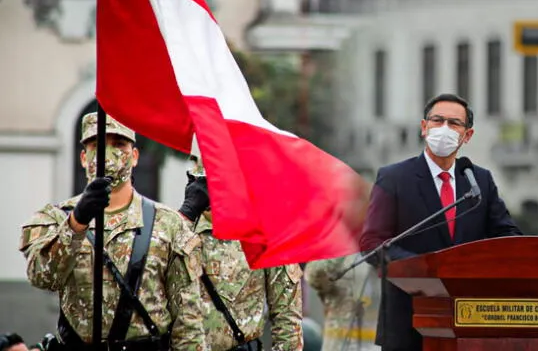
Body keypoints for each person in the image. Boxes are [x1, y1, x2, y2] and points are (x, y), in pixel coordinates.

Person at [19, 113, 208, 351]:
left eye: (119, 144)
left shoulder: (167, 223)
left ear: (135, 156)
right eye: (97, 145)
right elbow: (43, 278)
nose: (108, 154)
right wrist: (76, 223)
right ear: (83, 157)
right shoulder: (55, 218)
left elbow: (188, 318)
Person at [359, 93, 522, 351]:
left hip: (469, 321)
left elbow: (507, 236)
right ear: (424, 127)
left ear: (467, 135)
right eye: (437, 120)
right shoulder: (394, 178)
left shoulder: (478, 180)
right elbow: (372, 243)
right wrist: (425, 269)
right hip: (408, 321)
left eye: (454, 123)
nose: (444, 128)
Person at [177, 151, 304, 351]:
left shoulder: (264, 232)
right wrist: (185, 216)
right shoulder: (175, 228)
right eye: (194, 162)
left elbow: (287, 321)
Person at [304, 254, 379, 351]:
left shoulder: (389, 245)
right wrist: (339, 252)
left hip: (374, 344)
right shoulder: (337, 247)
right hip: (338, 344)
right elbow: (313, 276)